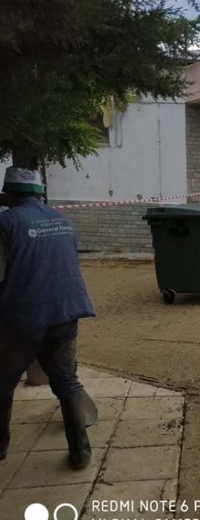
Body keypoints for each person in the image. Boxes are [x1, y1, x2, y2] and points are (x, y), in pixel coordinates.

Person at [0, 166, 95, 469]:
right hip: (67, 312)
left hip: (23, 318)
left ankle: (0, 448)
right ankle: (80, 452)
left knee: (3, 382)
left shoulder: (5, 221)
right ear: (40, 194)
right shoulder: (64, 220)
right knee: (66, 381)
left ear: (9, 193)